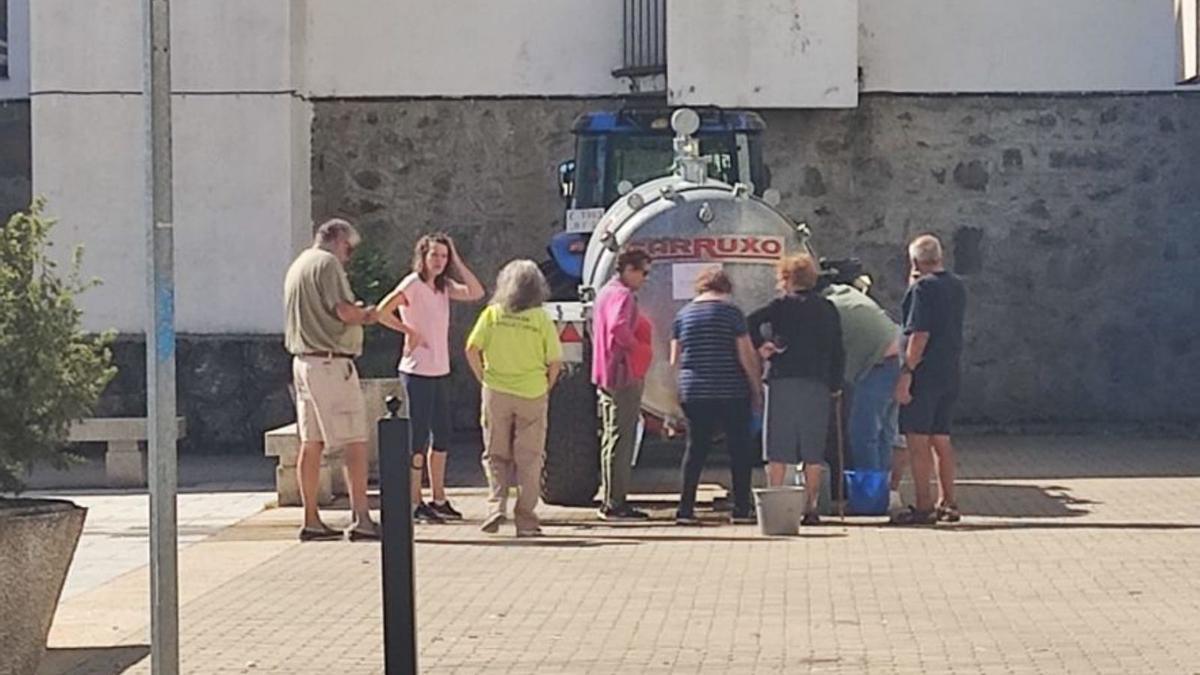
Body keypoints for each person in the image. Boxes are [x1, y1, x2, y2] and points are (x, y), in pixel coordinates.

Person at [283, 218, 381, 541]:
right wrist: (369, 314)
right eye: (349, 249)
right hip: (330, 362)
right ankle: (362, 518)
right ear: (337, 238)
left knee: (311, 443)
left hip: (303, 362)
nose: (348, 257)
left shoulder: (299, 264)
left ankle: (311, 518)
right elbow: (342, 310)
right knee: (355, 441)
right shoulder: (326, 264)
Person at [377, 233, 485, 523]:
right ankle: (415, 500)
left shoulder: (444, 287)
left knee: (442, 435)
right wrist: (409, 331)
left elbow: (476, 292)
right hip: (417, 370)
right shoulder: (412, 284)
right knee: (418, 437)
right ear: (423, 257)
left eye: (443, 256)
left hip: (440, 369)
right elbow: (382, 311)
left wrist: (457, 259)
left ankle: (439, 496)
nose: (439, 261)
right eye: (434, 255)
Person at [464, 260, 562, 537]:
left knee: (495, 454)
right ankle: (526, 521)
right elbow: (554, 360)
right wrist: (545, 387)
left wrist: (484, 379)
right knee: (530, 459)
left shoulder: (493, 314)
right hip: (532, 393)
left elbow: (472, 348)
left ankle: (496, 507)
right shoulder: (541, 318)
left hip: (497, 391)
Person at [748, 254, 844, 526]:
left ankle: (776, 503)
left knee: (778, 446)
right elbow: (838, 349)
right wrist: (835, 385)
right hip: (817, 382)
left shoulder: (780, 306)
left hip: (781, 379)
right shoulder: (827, 308)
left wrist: (763, 346)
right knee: (813, 448)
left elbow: (749, 321)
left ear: (787, 278)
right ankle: (810, 507)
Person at [669, 268, 762, 525]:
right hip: (730, 390)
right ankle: (741, 509)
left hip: (694, 391)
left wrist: (678, 390)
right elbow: (745, 355)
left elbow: (675, 359)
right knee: (738, 448)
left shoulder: (683, 315)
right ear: (726, 288)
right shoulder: (732, 313)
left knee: (696, 448)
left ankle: (685, 509)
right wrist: (755, 389)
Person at [892, 234, 967, 525]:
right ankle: (949, 501)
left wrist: (907, 372)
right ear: (940, 257)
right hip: (949, 371)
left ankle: (924, 506)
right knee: (942, 439)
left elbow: (919, 334)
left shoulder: (922, 289)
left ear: (914, 261)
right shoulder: (957, 286)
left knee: (917, 441)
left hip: (924, 373)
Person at [821, 282, 904, 512]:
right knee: (884, 433)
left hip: (879, 364)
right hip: (899, 357)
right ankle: (883, 495)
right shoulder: (848, 294)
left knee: (863, 433)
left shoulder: (826, 310)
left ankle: (869, 501)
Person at [591, 248, 653, 521]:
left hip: (604, 372)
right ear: (629, 269)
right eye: (644, 272)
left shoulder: (604, 292)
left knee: (609, 436)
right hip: (623, 373)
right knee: (622, 437)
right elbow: (618, 328)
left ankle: (609, 498)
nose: (645, 279)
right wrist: (638, 348)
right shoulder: (624, 295)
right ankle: (616, 502)